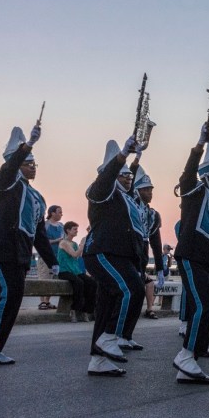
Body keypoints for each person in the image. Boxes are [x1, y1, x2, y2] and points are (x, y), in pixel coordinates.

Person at [0, 124, 59, 364]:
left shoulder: (37, 197)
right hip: (2, 248)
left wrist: (52, 262)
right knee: (7, 294)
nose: (33, 167)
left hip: (20, 252)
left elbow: (39, 233)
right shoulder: (6, 182)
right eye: (28, 163)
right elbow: (9, 169)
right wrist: (28, 145)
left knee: (11, 297)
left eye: (34, 163)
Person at [172, 124, 209, 384]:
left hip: (208, 262)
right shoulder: (194, 193)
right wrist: (199, 145)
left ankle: (195, 351)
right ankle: (186, 357)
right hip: (190, 257)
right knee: (204, 304)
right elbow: (186, 175)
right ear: (206, 177)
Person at [83, 137, 147, 377]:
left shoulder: (127, 199)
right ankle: (111, 337)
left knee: (107, 305)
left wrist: (136, 158)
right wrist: (122, 155)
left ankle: (98, 360)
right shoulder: (101, 192)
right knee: (132, 291)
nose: (128, 179)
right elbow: (106, 179)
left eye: (130, 176)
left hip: (121, 256)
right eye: (123, 176)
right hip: (103, 253)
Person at [132, 163, 167, 321]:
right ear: (137, 191)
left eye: (151, 189)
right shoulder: (129, 208)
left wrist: (159, 268)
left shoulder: (153, 215)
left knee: (139, 289)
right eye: (146, 189)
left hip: (142, 256)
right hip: (129, 253)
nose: (150, 192)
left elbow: (156, 243)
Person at [57, 221, 96, 322]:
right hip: (64, 271)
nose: (76, 231)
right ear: (68, 230)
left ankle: (86, 311)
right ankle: (74, 310)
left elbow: (77, 255)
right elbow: (75, 254)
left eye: (76, 229)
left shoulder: (74, 243)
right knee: (79, 283)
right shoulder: (63, 242)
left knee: (92, 283)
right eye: (74, 229)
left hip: (75, 270)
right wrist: (82, 245)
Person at [37, 205, 64, 310]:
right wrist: (57, 240)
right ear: (52, 213)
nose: (61, 214)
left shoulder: (61, 226)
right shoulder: (45, 225)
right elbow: (41, 241)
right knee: (44, 279)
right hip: (45, 257)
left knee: (52, 279)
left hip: (57, 257)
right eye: (59, 212)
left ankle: (47, 301)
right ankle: (42, 302)